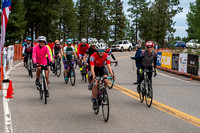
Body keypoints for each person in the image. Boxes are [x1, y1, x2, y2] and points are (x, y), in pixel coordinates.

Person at [90, 42, 115, 110]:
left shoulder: (106, 56)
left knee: (106, 80)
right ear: (97, 50)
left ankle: (104, 92)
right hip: (95, 69)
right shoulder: (92, 56)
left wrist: (112, 74)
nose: (101, 52)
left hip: (102, 68)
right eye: (100, 51)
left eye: (103, 50)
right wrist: (94, 76)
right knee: (95, 84)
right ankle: (94, 101)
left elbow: (109, 66)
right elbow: (92, 68)